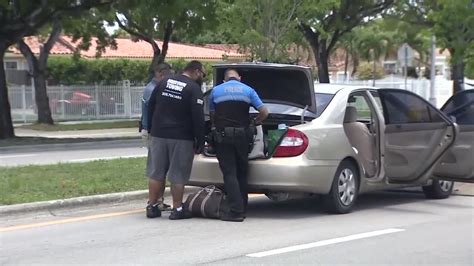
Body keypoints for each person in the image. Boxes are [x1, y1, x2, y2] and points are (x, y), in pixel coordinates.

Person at [146, 60, 206, 220]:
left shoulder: (164, 81)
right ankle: (177, 208)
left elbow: (151, 105)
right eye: (202, 74)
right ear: (197, 71)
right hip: (181, 137)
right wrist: (200, 140)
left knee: (156, 172)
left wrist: (152, 128)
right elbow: (198, 118)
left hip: (158, 134)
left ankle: (152, 206)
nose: (202, 78)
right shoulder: (194, 89)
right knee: (178, 174)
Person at [209, 69, 269, 222]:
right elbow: (264, 112)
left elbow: (212, 115)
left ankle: (235, 211)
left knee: (229, 173)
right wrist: (255, 122)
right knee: (242, 172)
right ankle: (243, 207)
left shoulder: (216, 91)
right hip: (243, 136)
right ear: (239, 78)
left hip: (223, 137)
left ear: (224, 80)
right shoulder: (248, 90)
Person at [140, 62, 173, 212]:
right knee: (156, 168)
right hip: (153, 132)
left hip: (156, 131)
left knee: (161, 167)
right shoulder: (152, 89)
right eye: (168, 75)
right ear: (160, 73)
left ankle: (159, 200)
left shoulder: (155, 88)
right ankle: (153, 201)